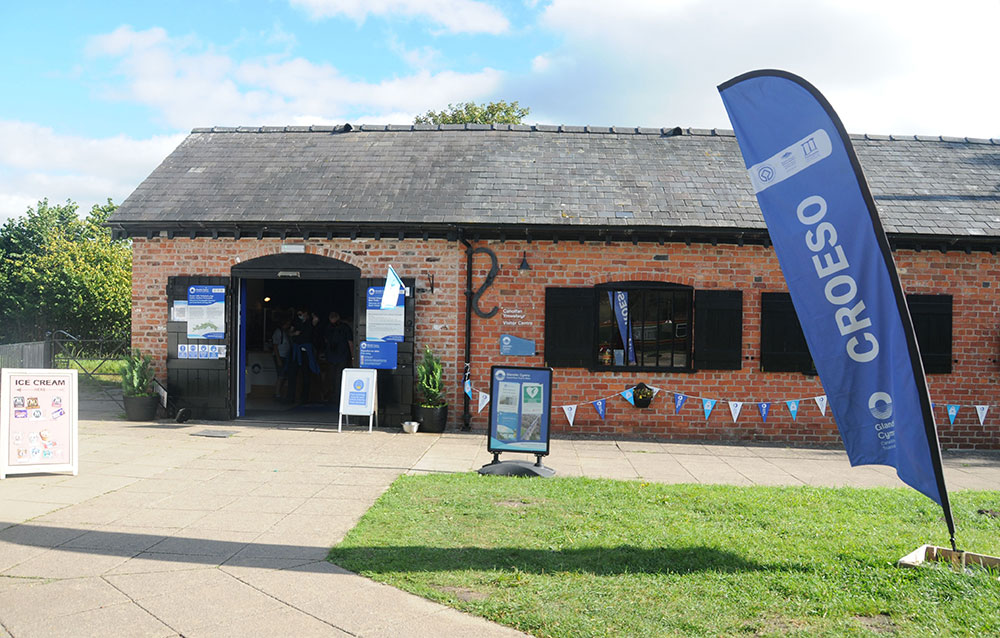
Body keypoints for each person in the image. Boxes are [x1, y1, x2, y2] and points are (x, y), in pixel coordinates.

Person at [285, 308, 320, 404]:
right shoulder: (295, 322)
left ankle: (304, 398)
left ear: (305, 313)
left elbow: (315, 323)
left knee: (306, 375)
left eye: (301, 314)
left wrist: (314, 319)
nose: (299, 316)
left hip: (306, 351)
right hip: (296, 350)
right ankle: (290, 397)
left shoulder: (310, 322)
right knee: (292, 374)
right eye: (298, 314)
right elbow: (289, 332)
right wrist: (294, 333)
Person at [325, 311, 354, 406]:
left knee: (332, 378)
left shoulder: (328, 328)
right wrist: (353, 356)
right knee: (339, 378)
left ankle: (334, 398)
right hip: (342, 356)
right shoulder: (345, 327)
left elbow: (326, 341)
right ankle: (339, 398)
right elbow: (350, 342)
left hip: (332, 356)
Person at [271, 317, 292, 399]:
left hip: (285, 356)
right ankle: (277, 393)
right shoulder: (278, 332)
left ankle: (280, 392)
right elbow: (275, 346)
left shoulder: (285, 332)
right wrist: (278, 359)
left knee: (283, 375)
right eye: (287, 324)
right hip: (280, 356)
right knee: (281, 375)